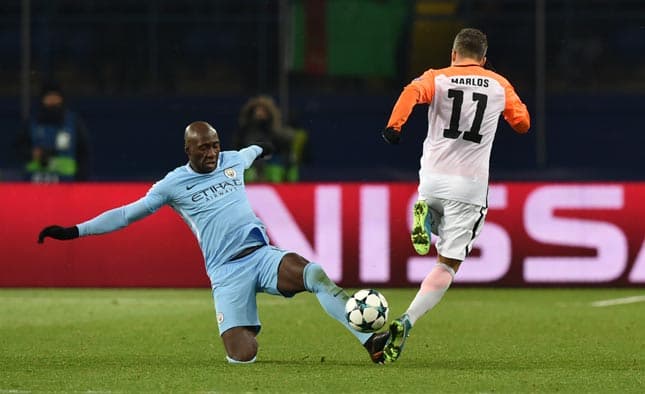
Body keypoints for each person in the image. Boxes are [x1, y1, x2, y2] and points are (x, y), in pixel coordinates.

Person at [37, 121, 390, 364]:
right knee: (243, 353)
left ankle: (369, 341)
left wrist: (265, 148)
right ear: (187, 148)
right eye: (203, 147)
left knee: (313, 273)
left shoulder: (232, 160)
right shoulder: (172, 185)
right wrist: (74, 231)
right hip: (226, 272)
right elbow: (127, 214)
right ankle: (242, 328)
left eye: (215, 145)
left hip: (262, 255)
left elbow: (252, 150)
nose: (212, 153)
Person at [380, 28, 530, 362]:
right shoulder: (498, 84)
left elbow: (410, 92)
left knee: (431, 208)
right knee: (447, 264)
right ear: (484, 59)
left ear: (453, 54)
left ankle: (426, 215)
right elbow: (523, 123)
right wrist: (506, 111)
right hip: (469, 187)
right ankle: (408, 319)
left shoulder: (436, 77)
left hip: (432, 178)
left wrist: (395, 126)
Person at [17, 81, 91, 182]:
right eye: (48, 98)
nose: (52, 101)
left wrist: (81, 182)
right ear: (42, 100)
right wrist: (32, 154)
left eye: (55, 97)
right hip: (35, 185)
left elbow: (84, 153)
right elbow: (18, 148)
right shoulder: (31, 123)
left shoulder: (74, 123)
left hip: (67, 186)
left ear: (61, 99)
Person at [233, 95, 298, 182]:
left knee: (275, 170)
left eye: (263, 111)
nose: (259, 113)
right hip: (250, 167)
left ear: (269, 113)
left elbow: (283, 150)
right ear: (251, 112)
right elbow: (237, 149)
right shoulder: (244, 132)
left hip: (271, 168)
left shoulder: (275, 132)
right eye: (257, 110)